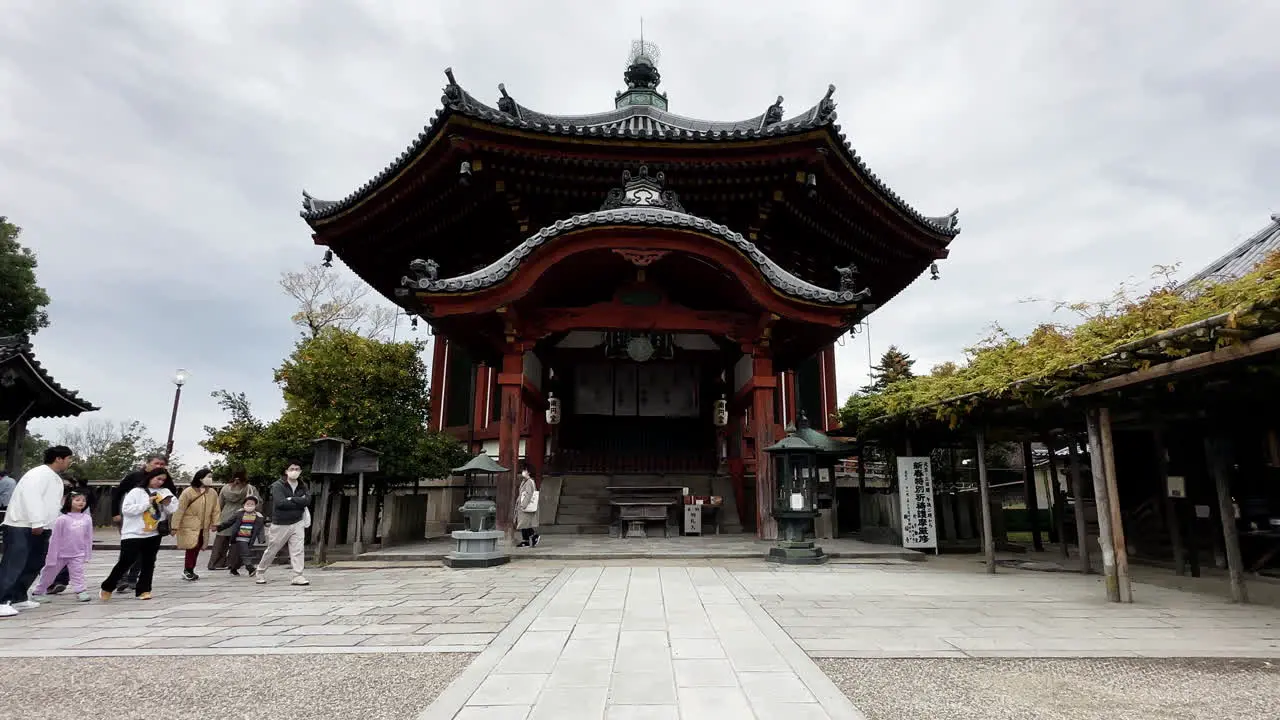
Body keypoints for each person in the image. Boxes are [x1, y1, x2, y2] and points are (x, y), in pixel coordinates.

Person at [0, 446, 74, 617]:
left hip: (43, 526)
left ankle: (18, 596)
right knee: (14, 562)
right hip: (22, 525)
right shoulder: (38, 474)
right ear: (58, 458)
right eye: (69, 458)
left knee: (35, 562)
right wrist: (37, 521)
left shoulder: (54, 478)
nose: (69, 462)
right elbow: (31, 497)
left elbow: (53, 504)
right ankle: (2, 599)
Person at [100, 468, 176, 601]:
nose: (160, 482)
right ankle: (108, 585)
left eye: (163, 480)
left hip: (153, 532)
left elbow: (174, 508)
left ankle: (144, 590)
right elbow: (127, 510)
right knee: (126, 561)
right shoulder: (136, 492)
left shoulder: (165, 492)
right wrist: (147, 503)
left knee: (149, 562)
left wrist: (166, 503)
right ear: (150, 477)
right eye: (157, 479)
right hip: (133, 533)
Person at [110, 456, 169, 593]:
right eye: (156, 463)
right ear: (148, 464)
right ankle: (121, 578)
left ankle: (133, 577)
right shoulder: (135, 477)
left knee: (145, 551)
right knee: (130, 549)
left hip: (152, 519)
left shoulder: (164, 480)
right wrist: (115, 513)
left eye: (162, 464)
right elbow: (117, 494)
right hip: (133, 517)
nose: (159, 466)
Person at [31, 491, 94, 602]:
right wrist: (52, 555)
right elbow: (55, 538)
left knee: (78, 572)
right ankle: (38, 592)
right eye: (77, 500)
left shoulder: (87, 519)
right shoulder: (62, 519)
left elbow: (88, 537)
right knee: (49, 573)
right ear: (69, 502)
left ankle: (80, 591)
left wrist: (87, 553)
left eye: (83, 500)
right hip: (60, 554)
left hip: (77, 553)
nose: (81, 502)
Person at [254, 462, 310, 586]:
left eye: (297, 469)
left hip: (298, 521)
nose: (294, 471)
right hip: (281, 522)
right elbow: (280, 503)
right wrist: (298, 501)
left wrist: (292, 499)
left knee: (298, 550)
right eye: (292, 469)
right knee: (273, 548)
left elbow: (307, 500)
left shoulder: (302, 485)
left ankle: (298, 575)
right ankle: (261, 570)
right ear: (286, 471)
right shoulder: (278, 485)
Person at [170, 469, 219, 581]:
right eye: (208, 476)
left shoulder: (212, 493)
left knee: (198, 546)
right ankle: (188, 570)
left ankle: (190, 569)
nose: (210, 479)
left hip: (203, 525)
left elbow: (216, 509)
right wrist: (174, 526)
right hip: (189, 524)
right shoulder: (188, 492)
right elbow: (180, 509)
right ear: (200, 478)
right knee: (191, 546)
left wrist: (215, 523)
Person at [207, 469, 256, 571]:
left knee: (221, 541)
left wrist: (215, 519)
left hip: (225, 515)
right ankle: (232, 563)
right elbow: (257, 502)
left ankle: (216, 563)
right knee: (237, 541)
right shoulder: (249, 488)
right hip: (242, 516)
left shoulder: (225, 488)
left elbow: (219, 504)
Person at [216, 495, 265, 576]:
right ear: (244, 505)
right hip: (239, 537)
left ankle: (233, 568)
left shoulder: (258, 517)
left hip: (249, 538)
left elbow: (260, 529)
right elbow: (229, 522)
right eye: (248, 504)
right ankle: (250, 568)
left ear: (255, 506)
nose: (249, 506)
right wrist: (219, 527)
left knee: (239, 555)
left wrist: (261, 539)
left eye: (252, 504)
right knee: (245, 553)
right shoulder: (239, 514)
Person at [516, 461, 540, 548]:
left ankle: (533, 536)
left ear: (528, 472)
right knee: (524, 524)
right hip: (523, 506)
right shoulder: (526, 481)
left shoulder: (529, 482)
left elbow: (529, 494)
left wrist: (524, 504)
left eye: (525, 470)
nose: (523, 472)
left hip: (525, 506)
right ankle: (526, 540)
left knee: (524, 523)